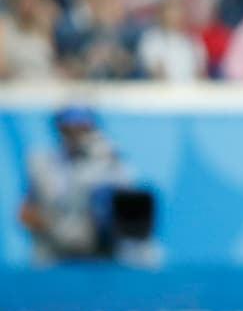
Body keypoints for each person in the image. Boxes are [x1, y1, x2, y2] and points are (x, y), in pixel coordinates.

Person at [18, 106, 150, 265]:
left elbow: (129, 212)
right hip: (55, 254)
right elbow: (26, 212)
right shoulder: (42, 164)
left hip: (102, 254)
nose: (75, 135)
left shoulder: (109, 161)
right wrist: (56, 230)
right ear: (59, 129)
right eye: (69, 129)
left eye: (82, 128)